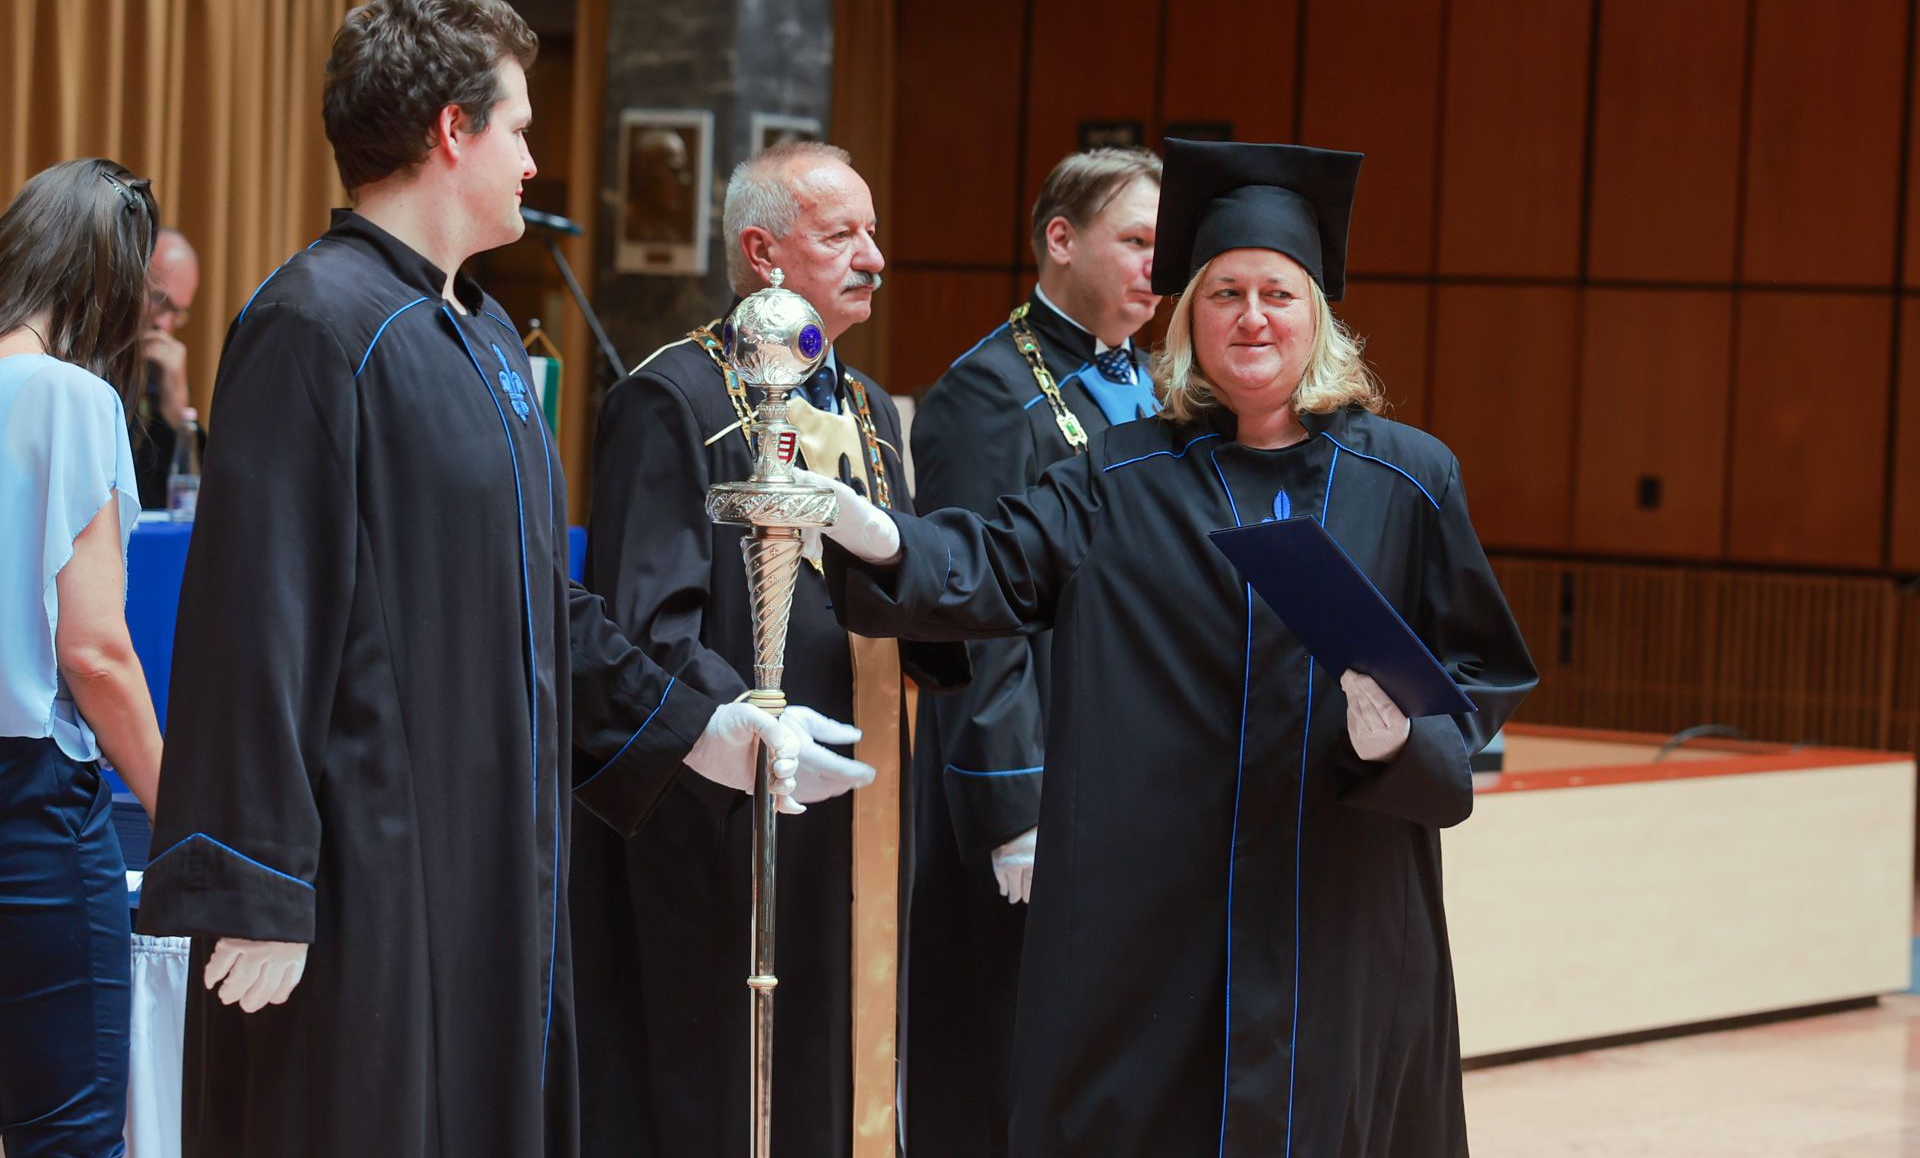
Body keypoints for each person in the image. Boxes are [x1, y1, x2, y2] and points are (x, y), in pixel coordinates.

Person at [136, 0, 826, 1158]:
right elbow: (256, 613)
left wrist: (698, 727)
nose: (533, 160)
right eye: (518, 127)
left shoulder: (487, 335)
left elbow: (540, 599)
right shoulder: (315, 321)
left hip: (494, 859)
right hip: (364, 871)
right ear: (451, 131)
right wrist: (254, 884)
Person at [810, 139, 1539, 1157]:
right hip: (1155, 911)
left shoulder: (1409, 478)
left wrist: (1402, 740)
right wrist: (884, 536)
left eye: (1278, 294)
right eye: (1225, 293)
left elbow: (1480, 668)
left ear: (1318, 316)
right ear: (1190, 316)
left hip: (1338, 897)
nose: (1252, 316)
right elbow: (995, 561)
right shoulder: (1120, 475)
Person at [571, 141, 963, 1158]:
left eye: (872, 232)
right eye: (842, 236)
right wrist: (746, 734)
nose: (874, 257)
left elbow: (901, 588)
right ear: (763, 252)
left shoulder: (870, 408)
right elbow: (647, 627)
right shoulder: (673, 399)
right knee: (735, 1080)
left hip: (865, 801)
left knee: (848, 1064)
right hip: (736, 808)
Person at [904, 145, 1161, 1157]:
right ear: (1061, 239)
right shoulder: (987, 390)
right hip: (1030, 775)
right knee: (1006, 1053)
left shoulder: (1151, 382)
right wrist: (1014, 803)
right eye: (1135, 240)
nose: (1156, 267)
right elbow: (970, 606)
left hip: (1128, 761)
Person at [0, 158, 167, 1157]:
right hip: (29, 807)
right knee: (66, 1131)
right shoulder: (68, 396)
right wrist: (183, 810)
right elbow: (96, 651)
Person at [132, 227, 201, 508]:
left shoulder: (159, 371)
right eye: (160, 300)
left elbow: (177, 503)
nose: (164, 324)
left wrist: (177, 419)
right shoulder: (82, 358)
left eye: (178, 312)